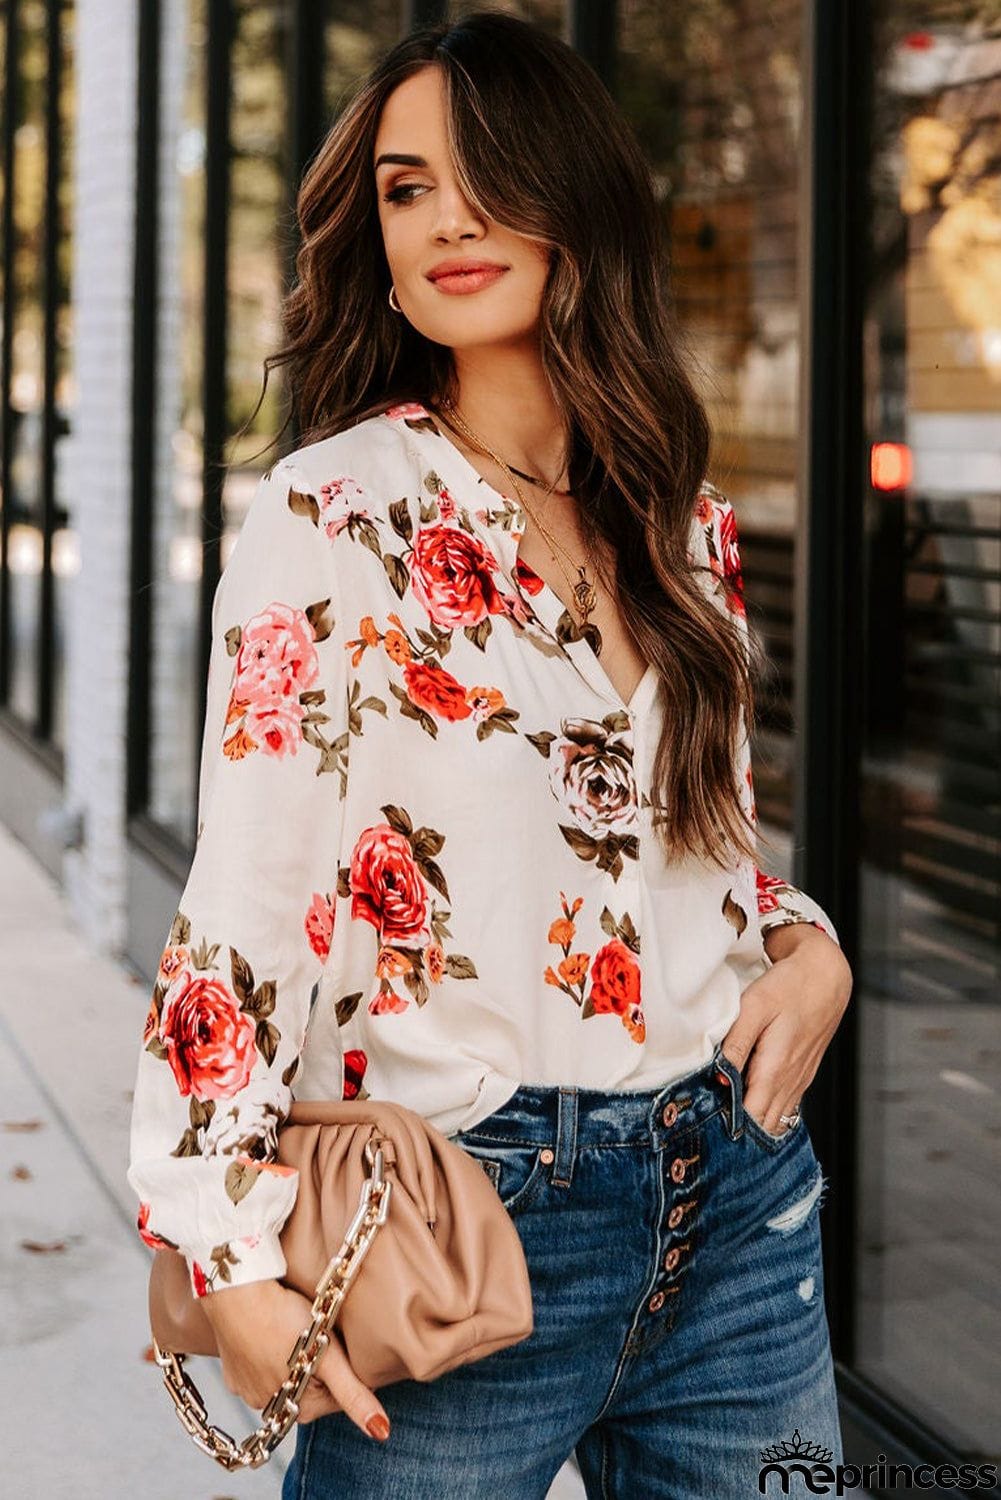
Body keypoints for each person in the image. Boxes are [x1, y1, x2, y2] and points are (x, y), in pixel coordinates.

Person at [127, 11, 853, 1498]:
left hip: (736, 1209)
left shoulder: (682, 511)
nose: (445, 218)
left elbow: (694, 844)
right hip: (461, 1212)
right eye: (404, 188)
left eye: (487, 173)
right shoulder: (334, 516)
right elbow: (249, 893)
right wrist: (216, 1238)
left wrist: (802, 941)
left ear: (576, 192)